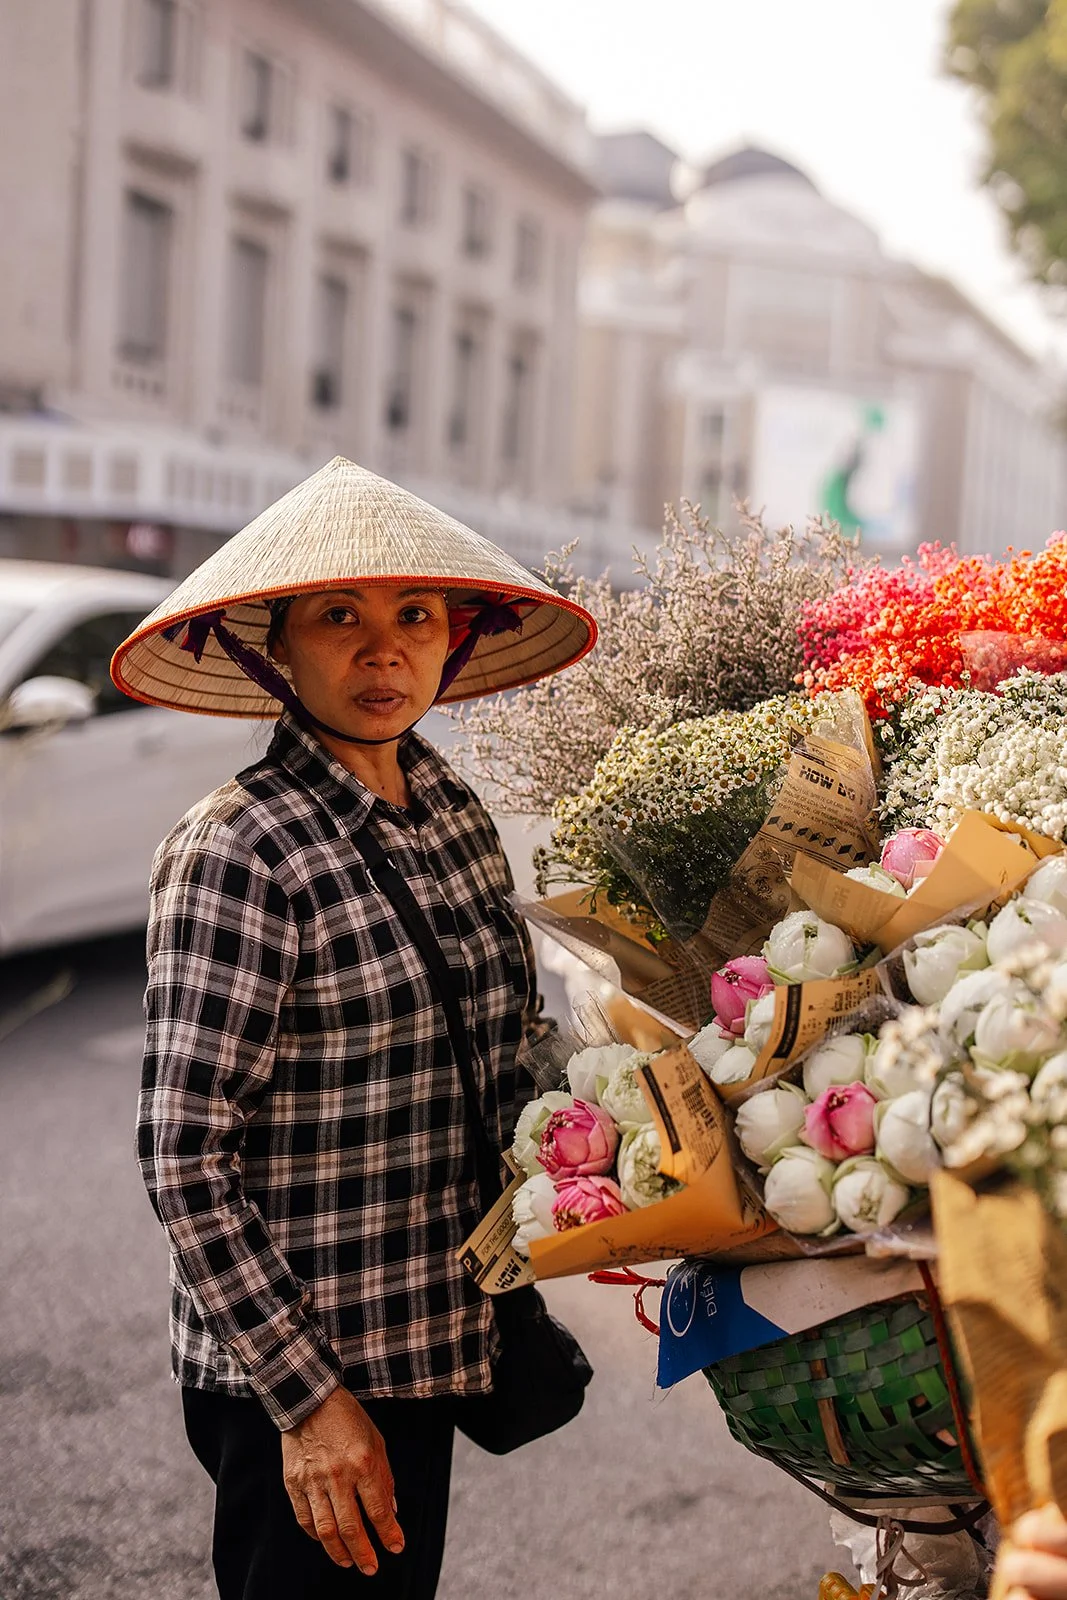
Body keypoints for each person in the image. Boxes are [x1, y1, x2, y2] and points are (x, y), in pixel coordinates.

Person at [112, 457, 597, 1600]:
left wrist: (648, 1100)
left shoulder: (451, 811)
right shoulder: (240, 847)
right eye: (340, 617)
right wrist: (309, 1402)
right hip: (307, 1372)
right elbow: (183, 1158)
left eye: (413, 616)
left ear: (452, 638)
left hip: (429, 1336)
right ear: (275, 646)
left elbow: (506, 1046)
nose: (383, 653)